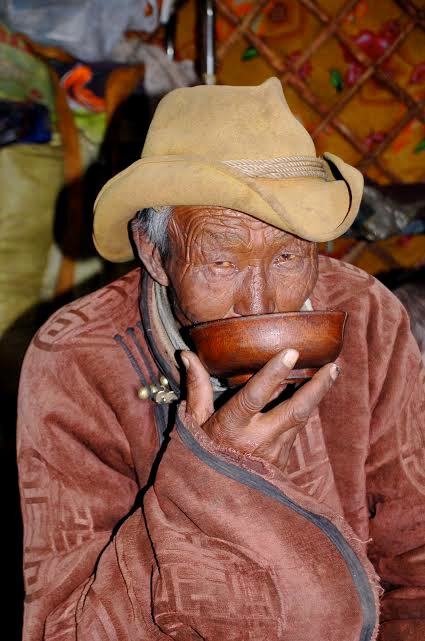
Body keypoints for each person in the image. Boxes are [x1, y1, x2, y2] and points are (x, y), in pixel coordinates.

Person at [18, 78, 425, 641]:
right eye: (221, 263)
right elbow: (62, 627)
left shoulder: (366, 316)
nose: (256, 305)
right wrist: (215, 474)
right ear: (155, 253)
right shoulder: (74, 359)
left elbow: (415, 557)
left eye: (287, 256)